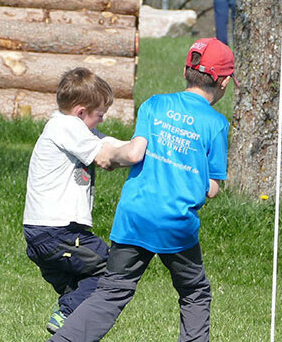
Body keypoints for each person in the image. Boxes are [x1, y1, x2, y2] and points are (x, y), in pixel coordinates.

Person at [48, 38, 238, 342]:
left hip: (134, 216)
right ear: (225, 81)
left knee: (112, 291)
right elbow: (212, 189)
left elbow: (137, 149)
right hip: (175, 223)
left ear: (186, 71)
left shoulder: (154, 104)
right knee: (194, 291)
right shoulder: (216, 124)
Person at [23, 68, 127, 335]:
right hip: (59, 231)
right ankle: (67, 317)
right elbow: (104, 157)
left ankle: (69, 327)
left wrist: (141, 145)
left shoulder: (70, 127)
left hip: (42, 234)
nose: (101, 121)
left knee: (81, 287)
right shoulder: (66, 126)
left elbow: (110, 142)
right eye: (99, 115)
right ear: (81, 112)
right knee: (110, 269)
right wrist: (136, 158)